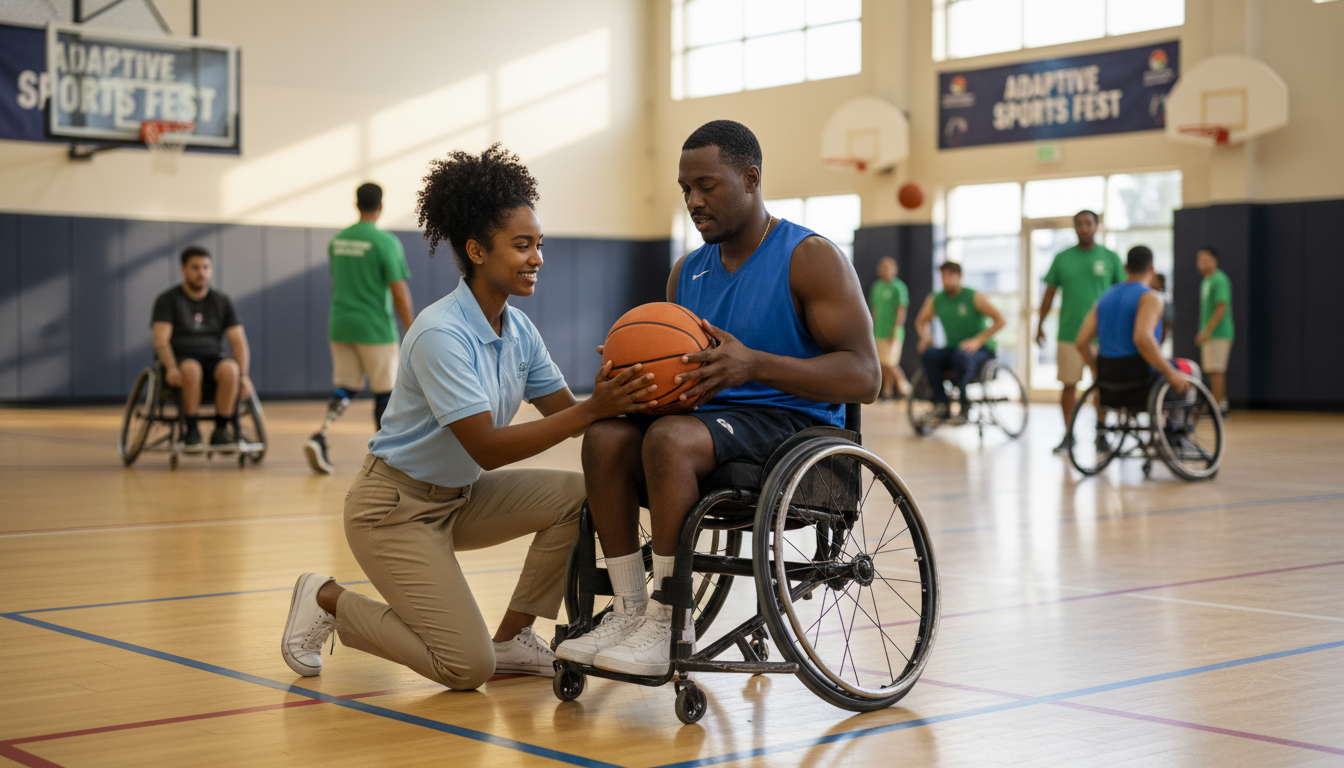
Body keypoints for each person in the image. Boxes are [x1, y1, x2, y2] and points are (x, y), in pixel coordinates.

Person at [280, 145, 658, 689]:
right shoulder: (441, 333)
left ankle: (511, 637)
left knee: (579, 496)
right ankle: (327, 598)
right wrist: (594, 411)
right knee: (464, 668)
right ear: (478, 251)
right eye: (522, 246)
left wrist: (634, 402)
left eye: (540, 245)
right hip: (393, 510)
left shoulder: (519, 329)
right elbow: (488, 447)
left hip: (459, 498)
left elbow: (571, 415)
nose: (537, 258)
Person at [555, 120, 880, 677]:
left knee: (671, 439)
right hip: (707, 424)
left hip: (792, 428)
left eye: (707, 185)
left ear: (750, 178)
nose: (693, 200)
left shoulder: (809, 257)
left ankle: (668, 619)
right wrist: (634, 378)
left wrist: (753, 364)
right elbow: (678, 375)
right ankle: (631, 609)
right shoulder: (687, 272)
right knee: (607, 434)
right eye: (685, 189)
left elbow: (865, 376)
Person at [304, 182, 416, 475]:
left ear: (356, 204)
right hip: (374, 328)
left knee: (346, 386)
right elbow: (399, 291)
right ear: (381, 206)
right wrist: (412, 328)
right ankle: (387, 455)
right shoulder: (384, 242)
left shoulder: (338, 241)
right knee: (385, 391)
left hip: (340, 324)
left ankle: (321, 434)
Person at [1036, 210, 1125, 452]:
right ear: (1074, 228)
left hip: (1103, 335)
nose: (1084, 228)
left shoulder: (1110, 257)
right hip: (1069, 334)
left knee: (1103, 385)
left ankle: (1102, 432)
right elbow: (1049, 294)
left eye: (1088, 223)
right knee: (1068, 385)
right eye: (1079, 224)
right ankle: (1068, 434)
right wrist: (1039, 324)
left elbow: (1121, 294)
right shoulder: (1062, 258)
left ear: (1097, 226)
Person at [150, 246, 252, 451]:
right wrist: (170, 367)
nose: (201, 273)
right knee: (191, 369)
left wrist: (244, 375)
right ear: (183, 270)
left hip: (212, 356)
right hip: (182, 357)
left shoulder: (220, 300)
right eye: (195, 268)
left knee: (231, 369)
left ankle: (222, 429)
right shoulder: (168, 300)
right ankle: (192, 429)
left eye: (206, 267)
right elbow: (161, 340)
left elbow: (238, 341)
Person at [1074, 245, 1190, 401]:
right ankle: (1173, 423)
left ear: (1126, 268)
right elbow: (1142, 339)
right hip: (1140, 380)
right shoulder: (1150, 297)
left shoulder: (1105, 297)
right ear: (1152, 268)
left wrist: (1098, 374)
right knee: (1190, 369)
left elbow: (1081, 342)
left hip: (1108, 378)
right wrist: (1171, 374)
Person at [914, 262, 1006, 423]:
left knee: (961, 356)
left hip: (981, 350)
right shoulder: (936, 299)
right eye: (943, 276)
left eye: (950, 275)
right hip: (954, 348)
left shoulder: (974, 297)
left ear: (959, 277)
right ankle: (941, 403)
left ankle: (964, 405)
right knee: (929, 354)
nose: (946, 280)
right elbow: (921, 321)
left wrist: (978, 340)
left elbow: (1000, 320)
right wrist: (925, 337)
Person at [1195, 247, 1233, 413]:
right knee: (1212, 370)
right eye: (1200, 259)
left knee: (1217, 370)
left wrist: (1207, 331)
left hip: (1219, 333)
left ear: (1214, 260)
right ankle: (1219, 404)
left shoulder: (1219, 279)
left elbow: (1221, 307)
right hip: (1209, 334)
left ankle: (1218, 409)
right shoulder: (1206, 281)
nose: (1202, 263)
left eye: (1206, 259)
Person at [869, 256, 911, 400]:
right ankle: (887, 392)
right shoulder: (877, 287)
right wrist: (871, 328)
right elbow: (874, 310)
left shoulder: (899, 287)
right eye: (883, 267)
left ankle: (904, 385)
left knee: (891, 363)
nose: (885, 270)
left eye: (888, 267)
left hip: (893, 333)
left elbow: (901, 310)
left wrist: (895, 331)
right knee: (882, 364)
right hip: (878, 331)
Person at [1151, 273, 1174, 345]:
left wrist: (1162, 338)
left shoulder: (1164, 300)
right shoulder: (1145, 297)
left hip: (1157, 337)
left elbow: (1167, 320)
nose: (1153, 282)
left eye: (1156, 280)